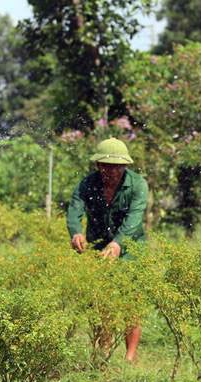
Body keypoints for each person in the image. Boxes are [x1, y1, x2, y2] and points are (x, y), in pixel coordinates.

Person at [66, 137, 148, 362]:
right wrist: (75, 232)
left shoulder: (138, 185)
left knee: (131, 301)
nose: (110, 171)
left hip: (131, 247)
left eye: (116, 167)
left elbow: (133, 219)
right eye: (105, 166)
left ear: (124, 166)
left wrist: (118, 243)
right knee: (102, 300)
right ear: (98, 165)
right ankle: (104, 352)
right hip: (98, 245)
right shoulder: (86, 184)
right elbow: (74, 211)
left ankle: (130, 357)